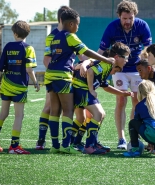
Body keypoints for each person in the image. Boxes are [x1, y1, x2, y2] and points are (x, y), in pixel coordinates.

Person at [44, 9, 115, 154]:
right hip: (63, 76)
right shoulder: (71, 36)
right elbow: (86, 51)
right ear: (71, 24)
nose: (78, 27)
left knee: (55, 110)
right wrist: (105, 59)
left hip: (49, 76)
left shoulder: (53, 37)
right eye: (77, 24)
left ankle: (55, 145)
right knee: (68, 110)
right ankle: (66, 145)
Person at [98, 0, 152, 149]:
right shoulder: (112, 27)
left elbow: (147, 49)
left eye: (130, 18)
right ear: (119, 16)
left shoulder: (142, 26)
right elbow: (101, 52)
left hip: (136, 69)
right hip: (119, 69)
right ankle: (121, 138)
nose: (127, 21)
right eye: (124, 18)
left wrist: (146, 64)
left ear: (135, 16)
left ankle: (134, 135)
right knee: (121, 100)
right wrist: (93, 65)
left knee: (137, 101)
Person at [0, 20, 40, 154]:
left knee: (3, 113)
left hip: (6, 84)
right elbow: (29, 69)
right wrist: (35, 82)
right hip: (19, 86)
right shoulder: (29, 48)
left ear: (15, 33)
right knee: (19, 115)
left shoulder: (8, 46)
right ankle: (14, 146)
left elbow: (0, 68)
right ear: (27, 33)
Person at [72, 42, 133, 154]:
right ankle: (90, 146)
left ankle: (81, 142)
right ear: (116, 57)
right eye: (126, 57)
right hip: (81, 88)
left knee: (94, 116)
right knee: (99, 114)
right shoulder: (110, 62)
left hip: (80, 88)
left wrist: (122, 93)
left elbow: (105, 86)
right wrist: (91, 89)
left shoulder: (109, 66)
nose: (127, 60)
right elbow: (90, 71)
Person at [36, 5, 70, 150]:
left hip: (65, 76)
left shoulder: (70, 34)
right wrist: (55, 72)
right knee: (50, 106)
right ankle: (41, 140)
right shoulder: (53, 36)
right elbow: (46, 59)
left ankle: (64, 142)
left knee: (63, 108)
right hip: (56, 76)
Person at [123, 80, 155, 157]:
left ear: (140, 92)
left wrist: (135, 138)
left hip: (154, 135)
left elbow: (137, 122)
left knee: (132, 123)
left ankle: (135, 150)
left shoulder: (139, 105)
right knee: (153, 126)